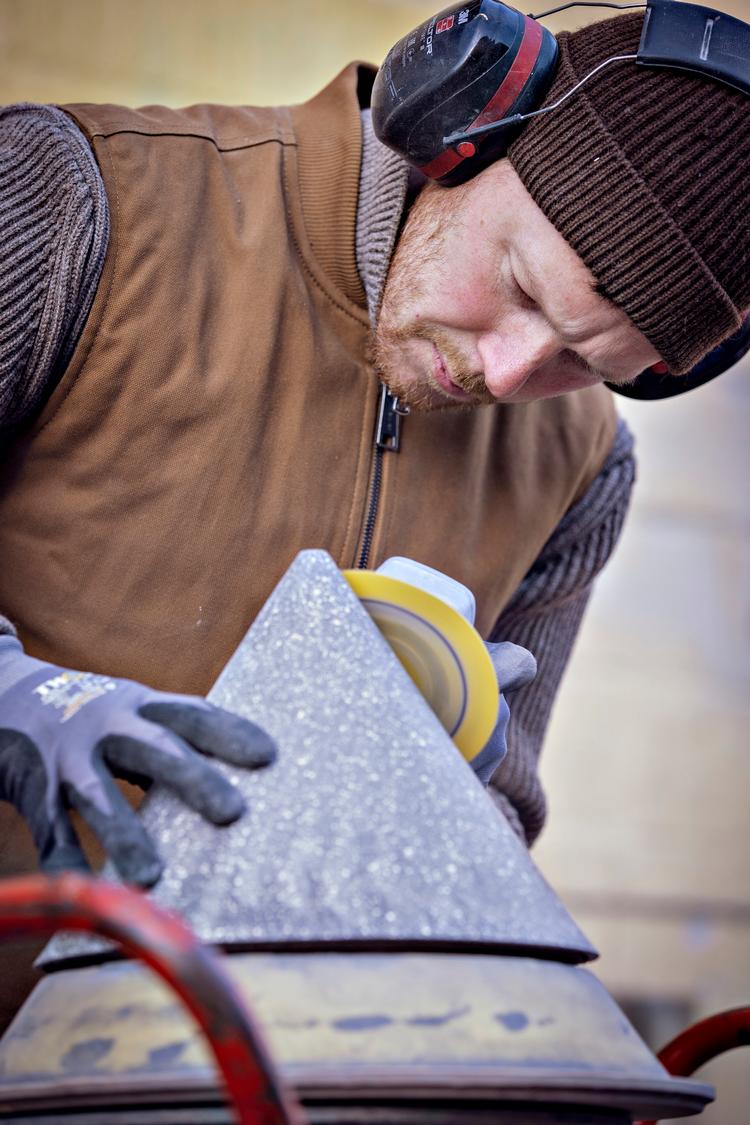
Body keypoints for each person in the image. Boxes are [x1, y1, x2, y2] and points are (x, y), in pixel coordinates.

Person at [0, 6, 747, 892]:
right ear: (464, 136)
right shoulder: (74, 202)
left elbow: (498, 825)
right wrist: (23, 701)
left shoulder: (585, 466)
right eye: (519, 284)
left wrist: (449, 804)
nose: (506, 377)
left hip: (254, 1029)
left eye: (582, 360)